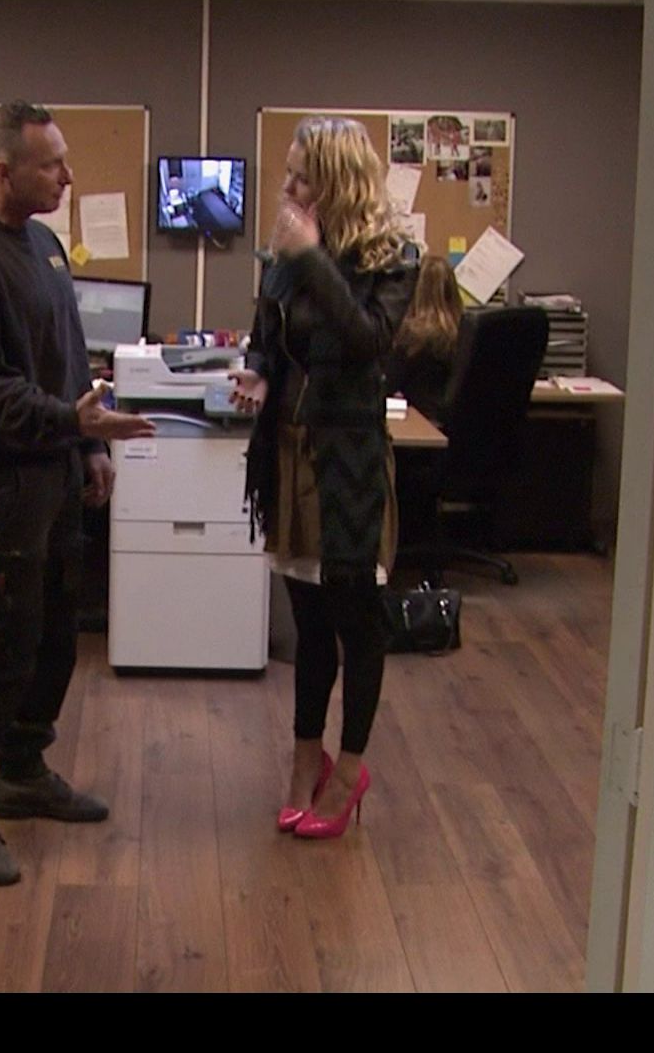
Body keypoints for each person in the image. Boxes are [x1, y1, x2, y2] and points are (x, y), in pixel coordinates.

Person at [0, 101, 156, 886]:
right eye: (51, 164)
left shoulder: (44, 246)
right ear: (2, 170)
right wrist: (69, 423)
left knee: (53, 635)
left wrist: (87, 445)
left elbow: (67, 358)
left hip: (53, 472)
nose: (68, 176)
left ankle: (22, 772)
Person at [230, 116, 415, 840]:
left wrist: (310, 257)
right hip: (289, 451)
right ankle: (305, 757)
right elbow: (267, 331)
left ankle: (350, 770)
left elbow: (367, 338)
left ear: (337, 183)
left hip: (349, 459)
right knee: (307, 620)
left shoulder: (392, 258)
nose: (288, 187)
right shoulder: (286, 257)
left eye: (302, 177)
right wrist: (257, 368)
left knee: (355, 621)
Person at [386, 252, 463, 422]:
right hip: (458, 426)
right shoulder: (467, 331)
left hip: (423, 424)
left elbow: (388, 386)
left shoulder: (411, 336)